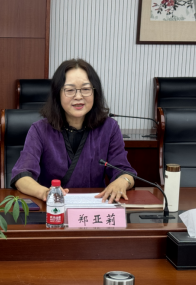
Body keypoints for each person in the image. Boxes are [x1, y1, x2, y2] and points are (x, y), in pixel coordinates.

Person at [11, 58, 136, 203]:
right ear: (57, 93)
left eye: (86, 89)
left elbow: (125, 171)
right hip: (53, 208)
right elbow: (21, 176)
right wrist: (45, 192)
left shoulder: (109, 128)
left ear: (95, 93)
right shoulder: (40, 130)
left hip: (94, 208)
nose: (78, 96)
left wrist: (122, 181)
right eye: (70, 90)